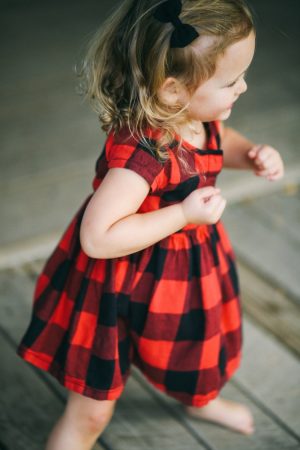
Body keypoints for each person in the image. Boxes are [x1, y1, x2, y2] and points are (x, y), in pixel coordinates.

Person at [17, 0, 284, 449]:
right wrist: (182, 214)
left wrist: (252, 155)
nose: (243, 87)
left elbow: (217, 145)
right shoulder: (144, 153)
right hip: (119, 283)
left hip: (183, 273)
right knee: (92, 408)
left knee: (199, 349)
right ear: (174, 90)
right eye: (231, 80)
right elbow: (98, 237)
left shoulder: (198, 118)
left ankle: (200, 399)